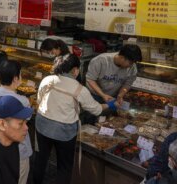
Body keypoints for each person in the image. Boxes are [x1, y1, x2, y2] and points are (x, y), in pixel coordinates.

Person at [33, 54, 118, 184]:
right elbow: (96, 109)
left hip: (42, 125)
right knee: (64, 166)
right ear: (75, 70)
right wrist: (110, 104)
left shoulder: (47, 79)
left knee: (40, 160)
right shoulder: (80, 89)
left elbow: (39, 99)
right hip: (64, 131)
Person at [0, 60, 32, 184]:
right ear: (16, 78)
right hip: (18, 151)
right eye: (20, 75)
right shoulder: (23, 101)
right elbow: (26, 119)